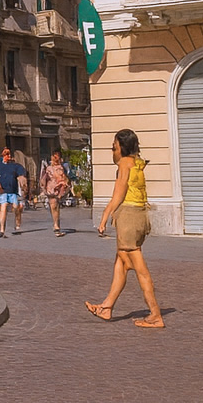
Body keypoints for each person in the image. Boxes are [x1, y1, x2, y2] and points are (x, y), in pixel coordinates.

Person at [87, 128, 164, 329]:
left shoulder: (124, 164)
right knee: (121, 264)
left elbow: (119, 195)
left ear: (121, 148)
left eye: (114, 147)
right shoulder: (138, 163)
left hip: (128, 218)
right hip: (140, 218)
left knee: (140, 270)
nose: (113, 152)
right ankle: (106, 307)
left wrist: (104, 216)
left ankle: (155, 314)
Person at [0, 148, 26, 237]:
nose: (7, 156)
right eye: (5, 154)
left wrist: (22, 180)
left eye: (8, 154)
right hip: (3, 191)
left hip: (13, 191)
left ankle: (17, 226)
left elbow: (21, 173)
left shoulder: (15, 166)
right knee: (3, 208)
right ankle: (2, 230)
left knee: (16, 208)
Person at [39, 151, 71, 236]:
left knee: (56, 206)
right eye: (54, 157)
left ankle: (57, 224)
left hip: (60, 188)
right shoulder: (48, 168)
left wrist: (65, 185)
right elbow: (44, 178)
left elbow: (66, 177)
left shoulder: (62, 167)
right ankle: (56, 225)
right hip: (51, 188)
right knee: (53, 206)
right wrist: (44, 187)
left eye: (57, 157)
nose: (55, 159)